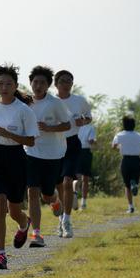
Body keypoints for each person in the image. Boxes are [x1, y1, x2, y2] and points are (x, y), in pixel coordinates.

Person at [0, 64, 38, 269]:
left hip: (17, 158)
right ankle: (0, 255)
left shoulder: (24, 110)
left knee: (14, 210)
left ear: (15, 86)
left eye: (8, 83)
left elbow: (30, 141)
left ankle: (23, 223)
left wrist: (10, 135)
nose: (4, 87)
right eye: (0, 83)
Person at [24, 66, 70, 248]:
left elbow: (67, 125)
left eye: (42, 82)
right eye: (35, 82)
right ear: (31, 83)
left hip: (53, 154)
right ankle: (36, 234)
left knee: (47, 195)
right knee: (32, 191)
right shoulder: (24, 102)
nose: (38, 85)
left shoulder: (55, 103)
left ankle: (56, 201)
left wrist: (50, 128)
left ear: (49, 85)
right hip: (31, 151)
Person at [54, 70, 92, 238]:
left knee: (68, 181)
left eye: (69, 81)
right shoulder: (50, 101)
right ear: (56, 84)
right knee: (56, 186)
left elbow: (89, 117)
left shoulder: (79, 101)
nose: (66, 83)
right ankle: (60, 216)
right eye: (62, 81)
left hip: (72, 144)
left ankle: (67, 221)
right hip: (53, 145)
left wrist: (83, 121)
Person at [112, 115, 140, 213]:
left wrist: (119, 148)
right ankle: (135, 184)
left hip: (126, 160)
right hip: (137, 160)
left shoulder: (119, 135)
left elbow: (114, 146)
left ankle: (131, 207)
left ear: (124, 125)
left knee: (126, 185)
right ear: (134, 125)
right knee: (134, 180)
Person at [76, 123, 97, 209]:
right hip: (85, 153)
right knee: (85, 178)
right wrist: (95, 141)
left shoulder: (75, 126)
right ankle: (83, 202)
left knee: (76, 177)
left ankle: (74, 197)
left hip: (75, 151)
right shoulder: (90, 127)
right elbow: (90, 141)